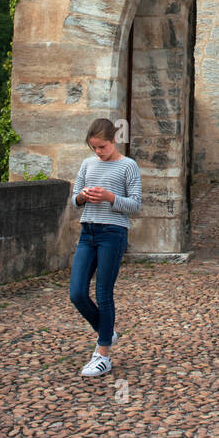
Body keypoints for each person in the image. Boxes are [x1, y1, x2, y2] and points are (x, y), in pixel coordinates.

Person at [69, 118, 142, 377]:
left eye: (102, 147)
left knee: (103, 293)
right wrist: (83, 196)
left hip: (113, 233)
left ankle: (103, 354)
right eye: (94, 148)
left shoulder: (128, 166)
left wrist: (110, 197)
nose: (98, 152)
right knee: (77, 292)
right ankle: (106, 330)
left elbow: (135, 204)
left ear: (113, 140)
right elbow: (75, 199)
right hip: (88, 230)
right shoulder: (88, 164)